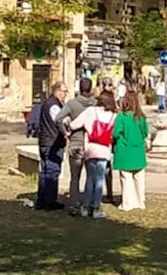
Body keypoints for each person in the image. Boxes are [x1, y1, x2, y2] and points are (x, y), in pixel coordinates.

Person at [69, 90, 118, 219]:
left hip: (90, 147)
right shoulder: (113, 116)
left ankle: (85, 207)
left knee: (90, 178)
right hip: (104, 150)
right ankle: (96, 208)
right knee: (99, 180)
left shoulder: (91, 111)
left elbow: (74, 125)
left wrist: (68, 122)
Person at [58, 78, 96, 216]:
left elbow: (58, 118)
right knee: (91, 176)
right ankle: (90, 204)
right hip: (92, 143)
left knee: (75, 177)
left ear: (79, 88)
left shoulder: (72, 104)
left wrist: (65, 132)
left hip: (76, 142)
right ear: (90, 89)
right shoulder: (96, 104)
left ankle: (74, 204)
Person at [113, 90, 149, 211]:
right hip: (138, 150)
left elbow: (116, 132)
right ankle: (140, 201)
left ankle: (127, 203)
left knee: (126, 177)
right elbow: (145, 133)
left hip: (125, 150)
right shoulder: (141, 118)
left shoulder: (122, 117)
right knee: (139, 177)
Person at [35, 82, 68, 210]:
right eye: (64, 91)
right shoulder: (53, 105)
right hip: (52, 143)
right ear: (58, 91)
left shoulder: (48, 103)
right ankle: (50, 201)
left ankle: (42, 200)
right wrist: (66, 132)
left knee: (45, 171)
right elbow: (59, 120)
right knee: (52, 172)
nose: (65, 94)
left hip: (45, 141)